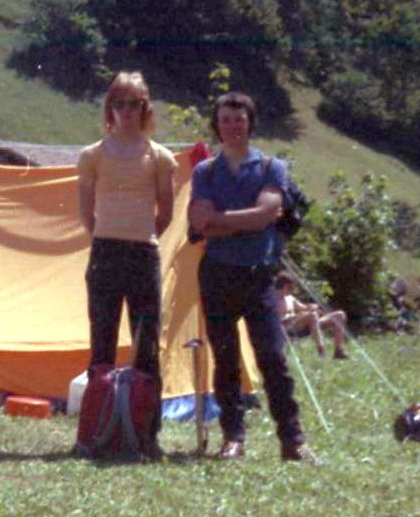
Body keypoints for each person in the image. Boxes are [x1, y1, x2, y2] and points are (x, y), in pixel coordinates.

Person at [188, 91, 314, 462]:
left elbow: (267, 213)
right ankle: (233, 438)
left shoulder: (272, 167)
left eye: (239, 120)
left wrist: (221, 222)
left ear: (250, 123)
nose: (233, 127)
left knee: (272, 358)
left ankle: (292, 441)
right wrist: (250, 222)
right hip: (217, 275)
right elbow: (202, 222)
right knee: (225, 359)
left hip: (259, 277)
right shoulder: (205, 171)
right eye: (226, 120)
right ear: (218, 125)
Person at [76, 71, 177, 459]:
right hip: (104, 253)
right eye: (120, 103)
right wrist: (105, 235)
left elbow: (165, 212)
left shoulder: (160, 157)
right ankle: (94, 432)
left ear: (145, 108)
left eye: (135, 104)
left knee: (146, 343)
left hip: (143, 255)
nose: (127, 111)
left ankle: (147, 436)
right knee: (101, 342)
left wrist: (140, 235)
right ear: (110, 109)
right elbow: (86, 211)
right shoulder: (92, 156)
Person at [276, 271, 348, 359]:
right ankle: (321, 351)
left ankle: (339, 350)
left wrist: (311, 307)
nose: (293, 289)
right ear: (284, 285)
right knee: (312, 316)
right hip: (287, 327)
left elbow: (303, 307)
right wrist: (299, 315)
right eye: (291, 287)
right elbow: (277, 320)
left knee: (339, 315)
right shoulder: (273, 300)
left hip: (307, 323)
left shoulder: (290, 298)